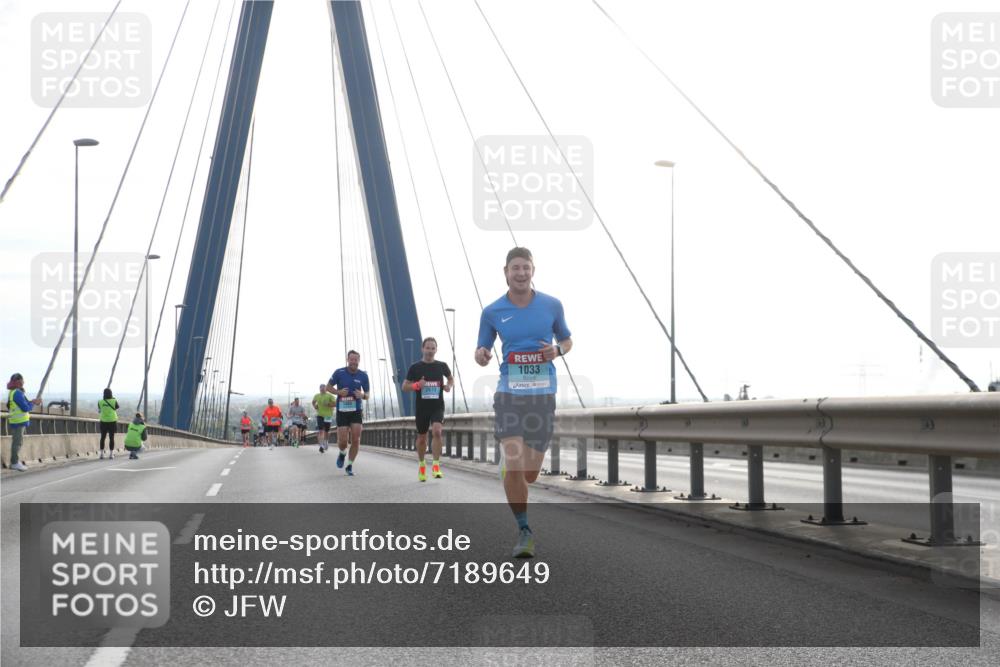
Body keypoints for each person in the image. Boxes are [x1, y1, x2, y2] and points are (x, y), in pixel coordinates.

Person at [475, 247, 572, 558]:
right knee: (516, 465)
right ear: (506, 272)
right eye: (515, 268)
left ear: (533, 270)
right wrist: (482, 355)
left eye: (525, 268)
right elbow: (481, 350)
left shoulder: (552, 305)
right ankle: (524, 530)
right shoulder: (492, 311)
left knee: (530, 474)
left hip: (543, 395)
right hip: (509, 395)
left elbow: (568, 339)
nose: (520, 273)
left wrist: (557, 350)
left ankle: (515, 475)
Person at [403, 337, 453, 482]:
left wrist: (449, 386)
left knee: (437, 432)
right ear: (422, 349)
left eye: (433, 348)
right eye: (428, 348)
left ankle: (436, 466)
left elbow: (450, 378)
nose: (430, 351)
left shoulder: (442, 365)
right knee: (422, 438)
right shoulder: (415, 367)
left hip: (437, 406)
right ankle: (422, 465)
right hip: (422, 408)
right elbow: (405, 386)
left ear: (436, 350)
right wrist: (417, 385)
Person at [327, 350, 370, 476]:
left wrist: (362, 395)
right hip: (342, 410)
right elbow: (328, 387)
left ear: (359, 361)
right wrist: (338, 392)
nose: (354, 362)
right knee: (343, 442)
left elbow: (367, 394)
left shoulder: (363, 375)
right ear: (348, 360)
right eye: (351, 359)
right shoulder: (339, 372)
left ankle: (350, 465)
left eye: (356, 360)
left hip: (356, 410)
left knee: (356, 440)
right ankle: (342, 453)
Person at [6, 373, 41, 471]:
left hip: (16, 421)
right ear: (18, 381)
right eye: (22, 380)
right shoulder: (17, 393)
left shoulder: (13, 392)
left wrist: (31, 402)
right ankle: (14, 463)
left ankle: (15, 461)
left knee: (17, 442)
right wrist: (33, 403)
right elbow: (25, 407)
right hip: (18, 422)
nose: (23, 382)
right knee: (17, 442)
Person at [312, 383, 336, 453]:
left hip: (328, 415)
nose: (322, 389)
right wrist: (315, 406)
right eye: (321, 388)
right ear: (319, 389)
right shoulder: (317, 396)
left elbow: (335, 404)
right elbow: (313, 402)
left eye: (323, 388)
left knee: (327, 431)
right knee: (321, 431)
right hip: (320, 415)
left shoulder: (330, 396)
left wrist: (328, 404)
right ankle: (321, 446)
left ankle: (326, 442)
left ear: (326, 389)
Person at [98, 387, 119, 460]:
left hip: (103, 421)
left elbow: (99, 409)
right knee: (111, 437)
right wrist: (113, 398)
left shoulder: (100, 401)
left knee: (102, 437)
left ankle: (101, 454)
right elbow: (117, 407)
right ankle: (111, 454)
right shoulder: (114, 401)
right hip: (112, 421)